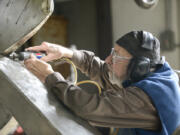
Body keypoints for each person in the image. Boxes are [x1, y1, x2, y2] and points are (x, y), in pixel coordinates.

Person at [24, 30, 180, 135]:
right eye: (113, 52)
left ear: (138, 66)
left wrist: (50, 76)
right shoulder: (154, 75)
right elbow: (104, 72)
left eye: (116, 56)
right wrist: (67, 53)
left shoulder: (146, 99)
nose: (108, 60)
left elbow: (87, 107)